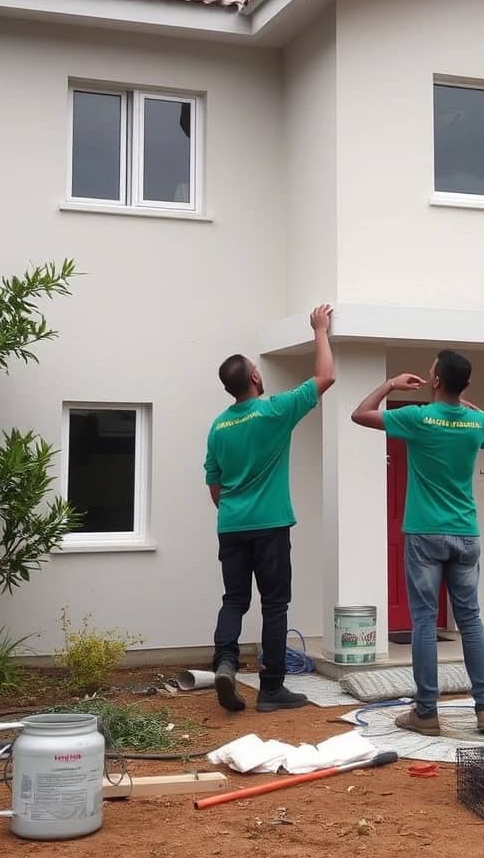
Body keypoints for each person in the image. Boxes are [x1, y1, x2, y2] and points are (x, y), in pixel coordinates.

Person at [351, 349, 484, 736]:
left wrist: (390, 384)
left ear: (435, 381)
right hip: (466, 533)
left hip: (424, 532)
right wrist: (462, 402)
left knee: (422, 621)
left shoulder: (417, 418)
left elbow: (360, 414)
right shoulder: (477, 421)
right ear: (466, 385)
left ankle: (426, 712)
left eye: (431, 372)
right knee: (470, 619)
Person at [204, 305, 335, 713]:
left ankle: (225, 663)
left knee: (234, 600)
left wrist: (233, 510)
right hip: (271, 525)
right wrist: (320, 330)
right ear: (256, 378)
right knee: (275, 605)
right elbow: (325, 376)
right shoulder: (275, 410)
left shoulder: (218, 425)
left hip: (232, 525)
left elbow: (214, 482)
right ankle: (272, 688)